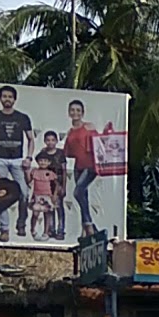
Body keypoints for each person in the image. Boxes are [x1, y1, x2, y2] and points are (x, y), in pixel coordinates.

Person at [0, 85, 36, 243]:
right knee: (0, 195)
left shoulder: (23, 118)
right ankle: (4, 229)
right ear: (0, 99)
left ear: (14, 99)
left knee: (24, 193)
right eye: (4, 96)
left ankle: (21, 223)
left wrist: (29, 157)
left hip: (18, 160)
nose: (7, 99)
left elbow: (31, 139)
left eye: (10, 96)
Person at [63, 99, 99, 238]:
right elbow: (67, 152)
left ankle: (89, 225)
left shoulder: (89, 127)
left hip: (91, 166)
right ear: (69, 113)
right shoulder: (70, 132)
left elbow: (98, 145)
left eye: (78, 110)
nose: (75, 113)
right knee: (83, 196)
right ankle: (86, 230)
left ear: (82, 113)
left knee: (78, 192)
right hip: (78, 167)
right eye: (72, 110)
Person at [35, 131, 68, 240]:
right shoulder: (43, 153)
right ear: (44, 141)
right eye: (48, 140)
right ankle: (50, 229)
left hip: (57, 184)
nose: (50, 142)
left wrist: (63, 186)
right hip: (45, 185)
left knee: (58, 207)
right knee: (48, 208)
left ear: (57, 141)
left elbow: (64, 170)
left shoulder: (60, 153)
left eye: (53, 140)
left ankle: (61, 230)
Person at [25, 154, 59, 241]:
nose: (43, 162)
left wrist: (54, 195)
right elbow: (28, 180)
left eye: (45, 161)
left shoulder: (51, 173)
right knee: (35, 214)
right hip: (37, 195)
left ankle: (46, 232)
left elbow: (56, 185)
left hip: (47, 196)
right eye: (41, 161)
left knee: (47, 214)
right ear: (37, 162)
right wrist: (27, 171)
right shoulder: (34, 171)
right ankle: (32, 230)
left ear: (49, 162)